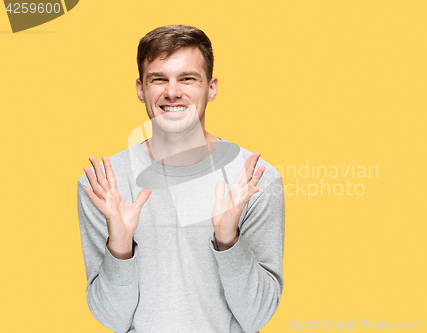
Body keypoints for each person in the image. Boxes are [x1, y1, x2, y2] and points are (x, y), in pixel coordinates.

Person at [77, 25, 285, 333]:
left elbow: (257, 316)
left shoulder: (254, 180)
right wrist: (120, 245)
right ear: (140, 88)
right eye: (158, 79)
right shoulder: (104, 185)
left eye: (187, 78)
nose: (172, 92)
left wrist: (228, 240)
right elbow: (112, 319)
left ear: (211, 88)